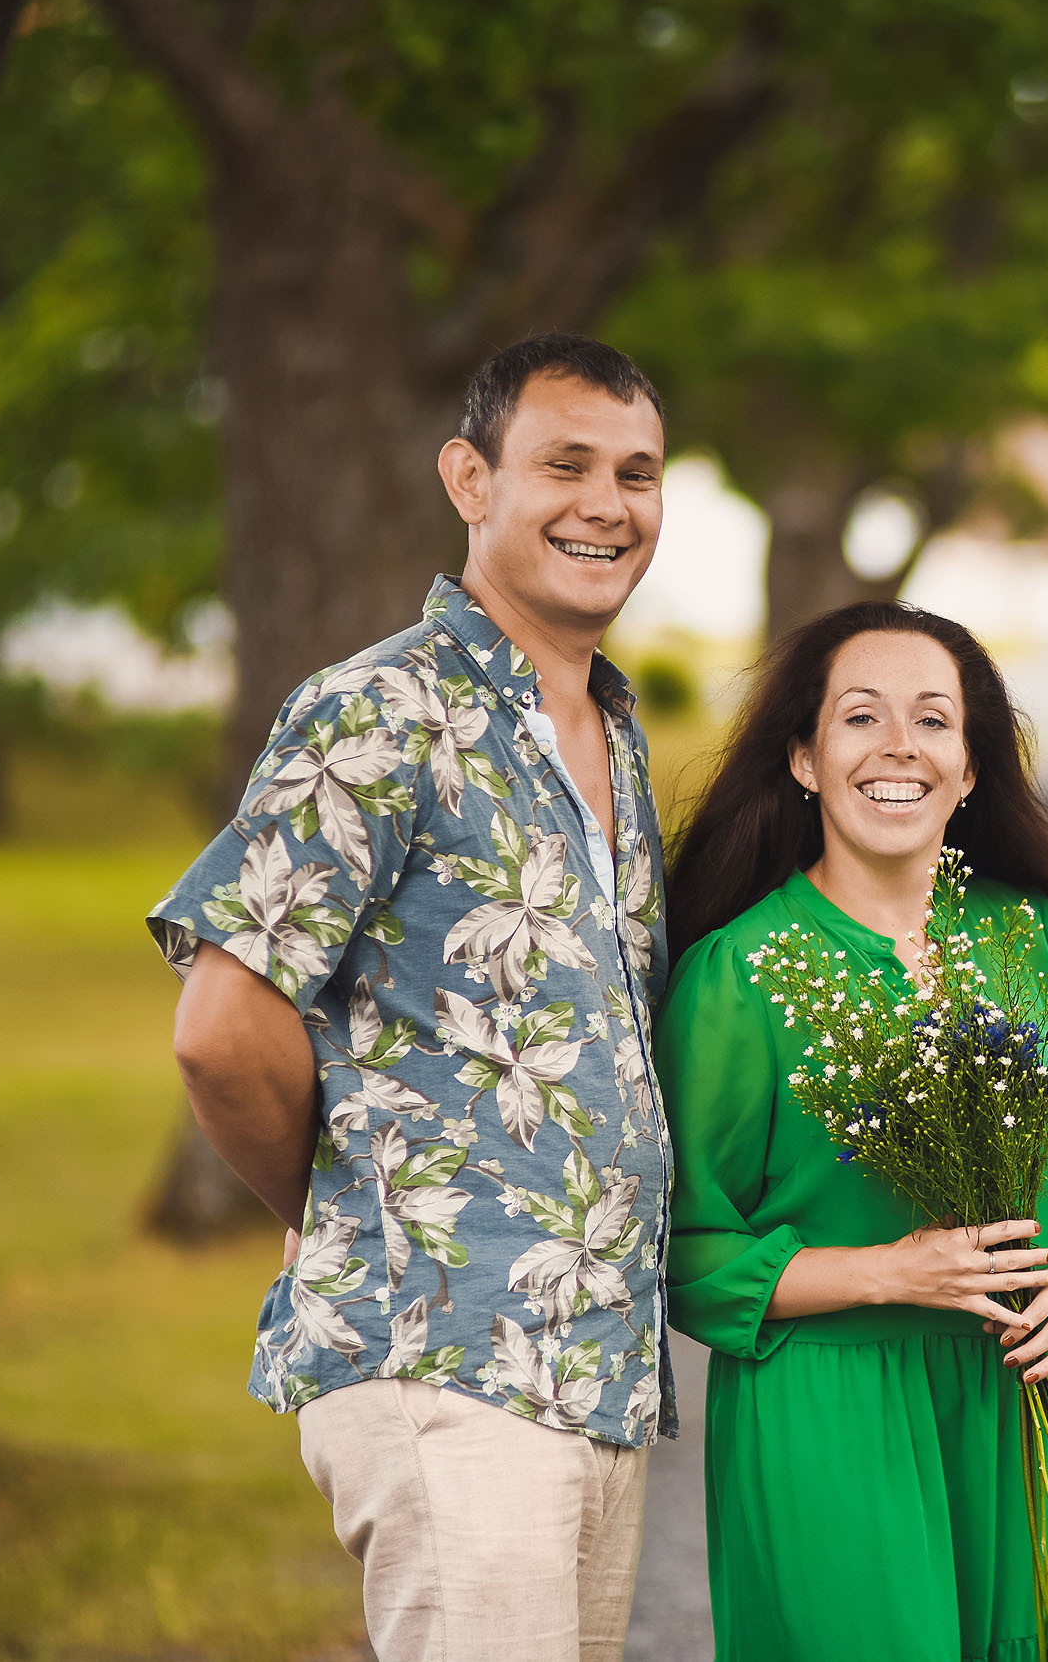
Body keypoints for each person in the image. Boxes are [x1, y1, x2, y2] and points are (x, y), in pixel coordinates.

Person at [146, 334, 675, 1662]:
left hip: (596, 1372)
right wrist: (348, 1205)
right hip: (449, 1358)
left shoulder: (612, 732)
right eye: (565, 464)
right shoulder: (382, 708)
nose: (606, 504)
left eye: (636, 473)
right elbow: (222, 1028)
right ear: (469, 479)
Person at [656, 601, 1048, 1662]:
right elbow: (686, 1254)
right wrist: (893, 1270)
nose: (899, 744)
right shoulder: (737, 974)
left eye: (933, 719)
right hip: (828, 1412)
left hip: (1018, 1404)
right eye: (861, 716)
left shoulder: (1025, 936)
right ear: (804, 759)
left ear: (971, 767)